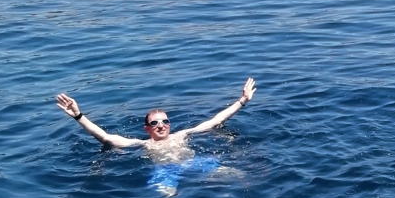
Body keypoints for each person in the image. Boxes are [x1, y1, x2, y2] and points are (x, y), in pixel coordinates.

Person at [55, 78, 256, 150]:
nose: (161, 125)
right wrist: (78, 116)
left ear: (169, 124)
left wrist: (242, 101)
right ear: (147, 129)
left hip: (196, 164)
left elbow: (216, 121)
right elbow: (106, 137)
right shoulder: (142, 144)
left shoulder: (182, 135)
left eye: (165, 121)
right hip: (165, 172)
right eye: (155, 123)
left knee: (233, 175)